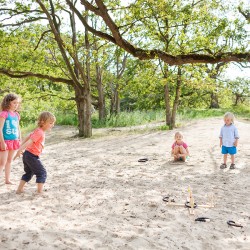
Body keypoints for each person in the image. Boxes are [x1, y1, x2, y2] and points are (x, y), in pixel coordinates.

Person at [15, 111, 56, 194]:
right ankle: (39, 192)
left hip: (28, 155)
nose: (53, 125)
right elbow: (30, 141)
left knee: (29, 172)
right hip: (31, 156)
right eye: (51, 123)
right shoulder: (40, 132)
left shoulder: (38, 130)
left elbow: (28, 137)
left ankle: (19, 189)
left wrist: (20, 146)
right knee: (42, 172)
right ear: (43, 122)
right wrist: (19, 150)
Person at [0, 93, 21, 184]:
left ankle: (7, 180)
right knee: (2, 162)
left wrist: (19, 139)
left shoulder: (16, 115)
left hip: (14, 141)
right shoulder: (4, 113)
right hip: (5, 141)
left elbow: (18, 128)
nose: (16, 105)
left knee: (9, 161)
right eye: (14, 103)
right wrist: (2, 142)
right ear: (8, 103)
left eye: (17, 103)